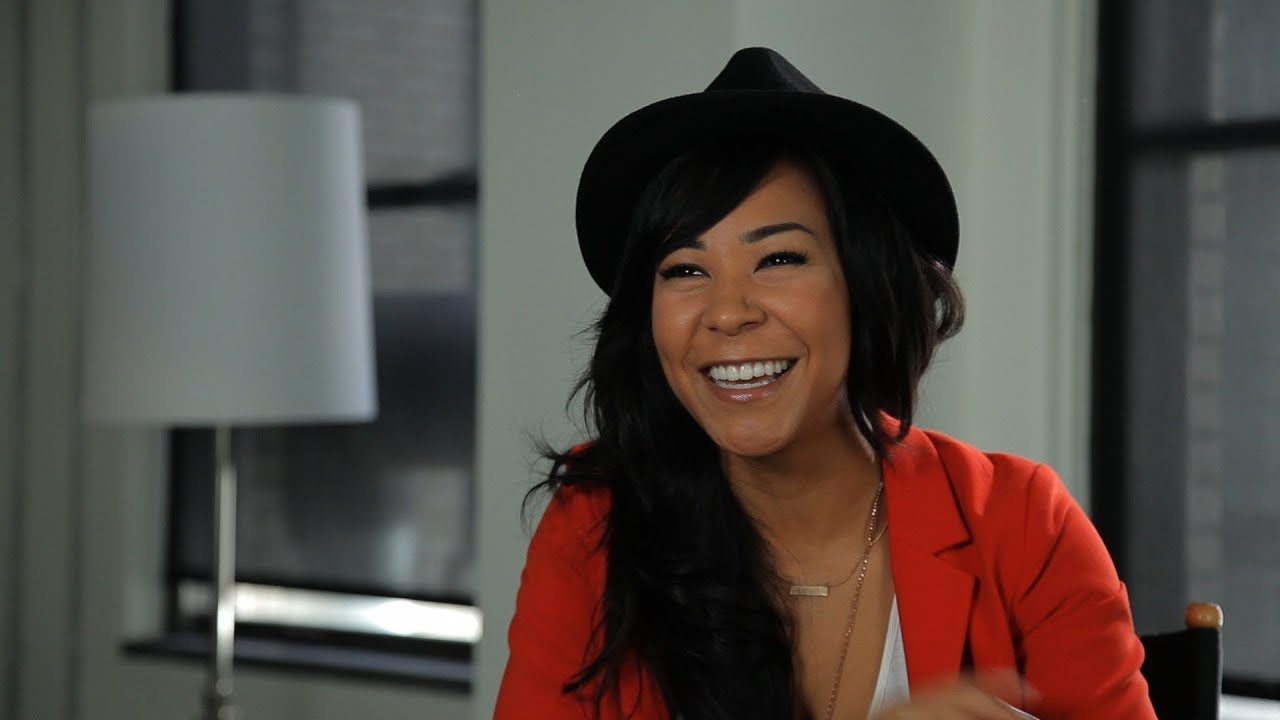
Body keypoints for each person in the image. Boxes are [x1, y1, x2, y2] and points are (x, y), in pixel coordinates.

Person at [494, 47, 1156, 720]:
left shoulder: (1021, 525)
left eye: (779, 259)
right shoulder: (598, 519)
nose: (727, 312)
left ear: (867, 288)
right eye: (685, 270)